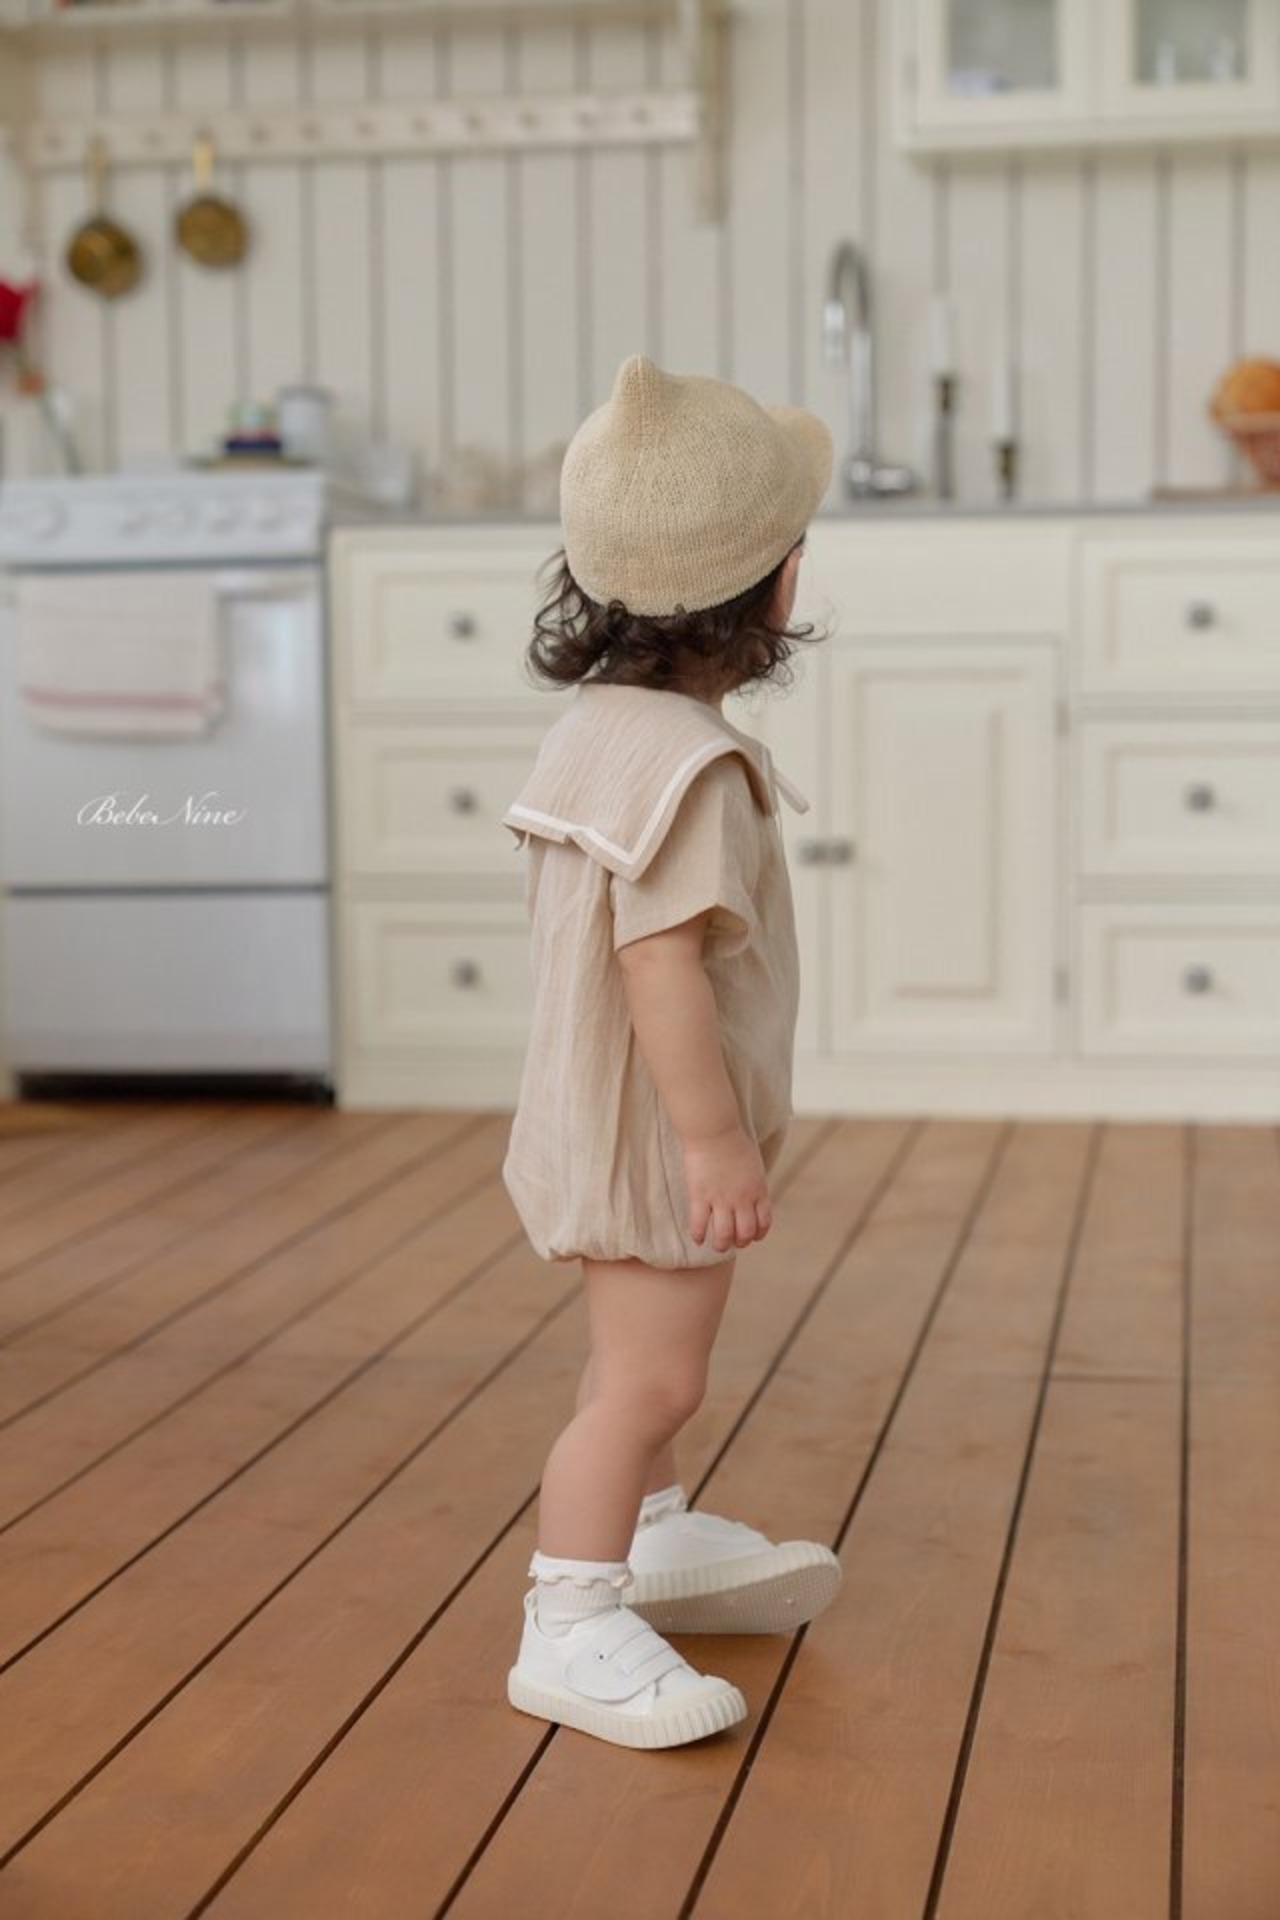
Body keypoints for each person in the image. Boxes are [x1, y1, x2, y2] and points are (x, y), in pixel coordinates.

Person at [499, 353, 842, 1751]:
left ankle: (648, 1526)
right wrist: (715, 1142)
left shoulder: (602, 729)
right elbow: (659, 963)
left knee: (629, 1358)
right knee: (655, 1382)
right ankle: (571, 1617)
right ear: (778, 585)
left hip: (595, 1110)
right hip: (658, 1132)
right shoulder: (693, 771)